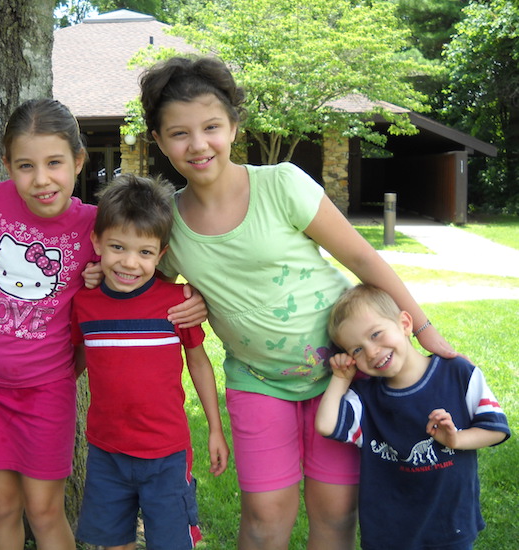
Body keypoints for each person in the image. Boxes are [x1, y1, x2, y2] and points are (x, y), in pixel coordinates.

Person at [135, 55, 459, 550]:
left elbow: (362, 258)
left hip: (345, 373)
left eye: (211, 127)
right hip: (258, 381)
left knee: (335, 513)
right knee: (265, 518)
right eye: (179, 133)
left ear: (234, 126)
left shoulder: (281, 185)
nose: (198, 144)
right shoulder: (169, 226)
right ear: (158, 140)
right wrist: (175, 294)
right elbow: (143, 283)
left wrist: (424, 329)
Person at [0, 99, 207, 550]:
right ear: (6, 167)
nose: (41, 179)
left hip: (46, 392)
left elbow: (142, 263)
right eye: (25, 165)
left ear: (78, 161)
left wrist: (191, 297)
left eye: (54, 163)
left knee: (44, 511)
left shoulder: (93, 227)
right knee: (2, 507)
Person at [71, 174, 229, 550]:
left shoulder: (176, 303)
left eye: (144, 252)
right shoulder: (85, 304)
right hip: (106, 452)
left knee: (171, 542)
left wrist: (215, 428)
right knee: (113, 541)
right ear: (97, 242)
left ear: (161, 254)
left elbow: (199, 362)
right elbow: (74, 363)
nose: (129, 263)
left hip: (167, 455)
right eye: (117, 247)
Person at [315, 284, 510, 549]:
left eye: (376, 334)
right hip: (389, 530)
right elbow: (326, 425)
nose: (371, 352)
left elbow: (496, 427)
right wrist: (340, 379)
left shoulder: (458, 374)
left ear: (405, 323)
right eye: (356, 350)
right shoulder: (364, 398)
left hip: (450, 524)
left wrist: (456, 439)